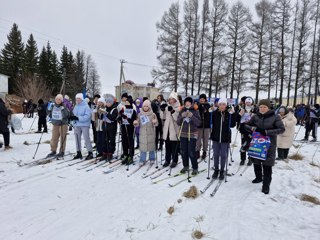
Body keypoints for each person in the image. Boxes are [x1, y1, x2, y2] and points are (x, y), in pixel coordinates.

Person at [245, 99, 285, 194]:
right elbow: (246, 125)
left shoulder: (275, 117)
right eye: (261, 107)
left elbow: (281, 129)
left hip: (269, 144)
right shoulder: (255, 116)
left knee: (267, 164)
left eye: (264, 107)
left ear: (268, 108)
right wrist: (253, 128)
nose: (262, 109)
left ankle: (266, 185)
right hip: (257, 143)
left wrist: (267, 132)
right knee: (256, 161)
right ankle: (258, 177)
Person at [210, 98, 236, 180]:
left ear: (226, 105)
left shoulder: (229, 114)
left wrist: (233, 114)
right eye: (220, 104)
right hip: (215, 137)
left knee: (224, 155)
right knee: (216, 154)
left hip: (225, 138)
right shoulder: (214, 113)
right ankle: (216, 169)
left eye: (223, 104)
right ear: (218, 105)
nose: (222, 106)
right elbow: (209, 122)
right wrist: (208, 112)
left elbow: (232, 125)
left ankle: (222, 170)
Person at [177, 97, 201, 175]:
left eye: (189, 102)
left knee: (191, 151)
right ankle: (185, 166)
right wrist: (182, 116)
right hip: (183, 134)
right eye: (186, 102)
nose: (187, 103)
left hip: (192, 134)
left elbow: (198, 123)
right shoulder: (182, 110)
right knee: (184, 151)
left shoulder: (195, 111)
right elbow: (178, 122)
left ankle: (195, 167)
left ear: (191, 103)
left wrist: (192, 116)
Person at [134, 99, 158, 166]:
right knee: (143, 148)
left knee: (151, 148)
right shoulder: (139, 114)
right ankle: (142, 159)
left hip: (151, 133)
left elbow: (156, 124)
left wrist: (155, 122)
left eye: (147, 106)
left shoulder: (153, 114)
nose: (145, 108)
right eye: (144, 106)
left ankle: (152, 159)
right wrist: (136, 123)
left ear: (149, 107)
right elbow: (137, 123)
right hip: (142, 133)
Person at [71, 93, 94, 160]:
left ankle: (90, 152)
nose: (77, 100)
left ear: (81, 99)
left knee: (86, 138)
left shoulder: (86, 106)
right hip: (77, 125)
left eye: (79, 99)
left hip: (84, 125)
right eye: (76, 99)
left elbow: (87, 116)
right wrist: (72, 119)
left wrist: (78, 118)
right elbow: (74, 114)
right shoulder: (76, 106)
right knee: (77, 139)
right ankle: (78, 152)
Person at [160, 92, 180, 168]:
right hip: (167, 130)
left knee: (174, 147)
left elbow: (177, 119)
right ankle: (167, 160)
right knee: (167, 146)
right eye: (170, 99)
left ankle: (174, 160)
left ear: (175, 100)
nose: (170, 100)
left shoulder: (178, 108)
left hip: (174, 130)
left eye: (172, 99)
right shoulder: (167, 107)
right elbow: (162, 117)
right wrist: (162, 110)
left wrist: (172, 111)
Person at [47, 94, 70, 158]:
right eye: (57, 99)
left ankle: (62, 151)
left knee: (62, 138)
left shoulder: (64, 106)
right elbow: (50, 114)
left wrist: (63, 110)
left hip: (63, 124)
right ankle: (53, 150)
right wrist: (48, 112)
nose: (58, 100)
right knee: (54, 138)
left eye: (59, 99)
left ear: (62, 100)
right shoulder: (53, 106)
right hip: (55, 124)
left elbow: (67, 114)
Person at [237, 96, 256, 166]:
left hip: (251, 129)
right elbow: (237, 119)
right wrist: (239, 114)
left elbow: (257, 119)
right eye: (246, 102)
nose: (248, 103)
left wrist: (254, 115)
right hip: (243, 129)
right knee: (243, 144)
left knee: (251, 144)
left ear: (251, 103)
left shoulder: (254, 109)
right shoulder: (242, 109)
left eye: (249, 102)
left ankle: (250, 158)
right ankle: (242, 159)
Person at [118, 99, 137, 165]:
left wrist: (127, 118)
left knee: (130, 142)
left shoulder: (133, 111)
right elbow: (121, 118)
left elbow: (133, 120)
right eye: (125, 102)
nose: (126, 103)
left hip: (130, 128)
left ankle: (130, 155)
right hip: (124, 128)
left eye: (128, 102)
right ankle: (125, 154)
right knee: (124, 141)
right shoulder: (124, 110)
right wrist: (120, 118)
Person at [196, 94, 211, 160]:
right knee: (198, 139)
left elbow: (210, 114)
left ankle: (204, 151)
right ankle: (197, 151)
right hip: (199, 125)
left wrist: (206, 111)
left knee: (205, 139)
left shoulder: (208, 106)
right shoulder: (197, 105)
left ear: (205, 99)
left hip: (206, 125)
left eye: (203, 98)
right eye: (200, 98)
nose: (202, 100)